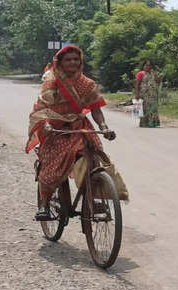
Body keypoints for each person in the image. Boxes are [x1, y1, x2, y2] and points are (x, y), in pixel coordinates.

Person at [25, 45, 116, 220]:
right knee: (53, 165)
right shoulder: (52, 82)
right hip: (55, 129)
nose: (72, 62)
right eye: (68, 59)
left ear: (80, 61)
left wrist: (104, 127)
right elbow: (42, 107)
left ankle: (92, 197)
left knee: (92, 157)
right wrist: (45, 124)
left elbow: (96, 109)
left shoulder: (87, 84)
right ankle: (44, 204)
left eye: (76, 59)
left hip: (79, 126)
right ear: (60, 62)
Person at [134, 60, 161, 128]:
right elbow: (137, 84)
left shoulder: (154, 73)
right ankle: (144, 123)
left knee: (153, 109)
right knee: (144, 109)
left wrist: (156, 75)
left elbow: (158, 82)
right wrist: (137, 94)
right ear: (143, 66)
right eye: (146, 65)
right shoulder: (140, 74)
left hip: (153, 94)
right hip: (143, 94)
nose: (148, 67)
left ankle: (153, 123)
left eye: (149, 65)